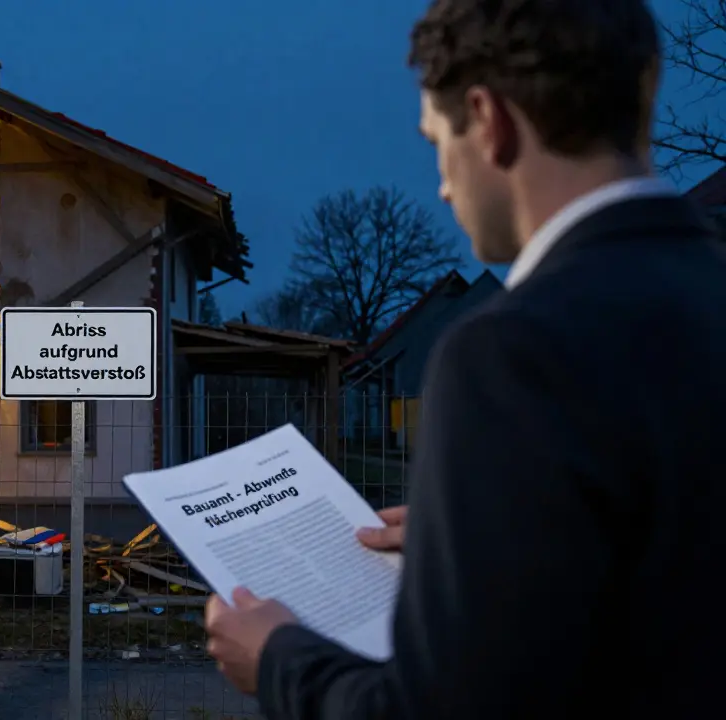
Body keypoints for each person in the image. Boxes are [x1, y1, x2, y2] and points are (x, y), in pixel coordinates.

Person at [205, 0, 726, 717]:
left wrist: (277, 659)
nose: (444, 185)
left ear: (489, 121)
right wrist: (488, 532)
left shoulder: (513, 353)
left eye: (436, 142)